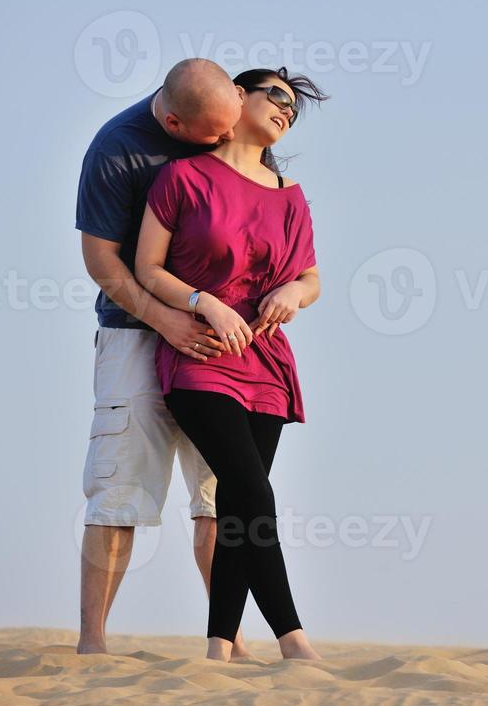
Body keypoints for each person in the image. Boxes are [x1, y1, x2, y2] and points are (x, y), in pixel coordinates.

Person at [135, 66, 328, 661]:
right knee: (250, 489)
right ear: (236, 98)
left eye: (293, 107)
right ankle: (293, 640)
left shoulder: (291, 198)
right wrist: (203, 302)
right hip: (200, 354)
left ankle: (220, 645)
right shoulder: (182, 177)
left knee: (240, 505)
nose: (285, 110)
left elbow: (312, 278)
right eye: (276, 95)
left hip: (266, 363)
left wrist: (294, 293)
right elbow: (148, 268)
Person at [75, 58, 267, 657]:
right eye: (214, 135)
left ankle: (228, 644)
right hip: (135, 333)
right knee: (119, 489)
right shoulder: (117, 148)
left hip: (221, 341)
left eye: (232, 124)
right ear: (177, 122)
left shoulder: (231, 125)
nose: (227, 141)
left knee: (221, 493)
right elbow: (102, 259)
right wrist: (166, 320)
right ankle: (93, 645)